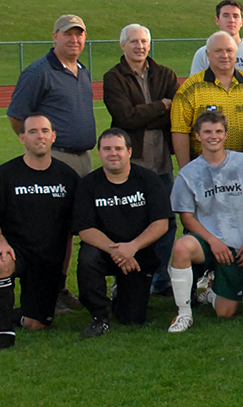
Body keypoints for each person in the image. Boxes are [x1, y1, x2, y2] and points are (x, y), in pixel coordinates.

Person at [0, 114, 81, 353]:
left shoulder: (68, 178)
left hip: (46, 259)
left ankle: (1, 310)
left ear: (53, 137)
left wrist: (63, 267)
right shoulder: (4, 174)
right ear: (22, 137)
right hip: (13, 249)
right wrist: (0, 242)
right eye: (32, 131)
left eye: (45, 131)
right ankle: (4, 334)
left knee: (37, 324)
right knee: (1, 261)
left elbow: (74, 228)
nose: (39, 136)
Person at [101, 23, 180, 296]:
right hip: (130, 163)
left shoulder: (165, 74)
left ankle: (161, 278)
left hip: (161, 162)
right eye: (133, 41)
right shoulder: (113, 78)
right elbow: (125, 117)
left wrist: (145, 113)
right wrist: (160, 106)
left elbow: (175, 113)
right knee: (128, 221)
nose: (140, 46)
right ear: (122, 45)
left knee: (166, 220)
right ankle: (123, 277)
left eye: (144, 41)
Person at [165, 112, 243, 333]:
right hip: (207, 243)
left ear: (226, 134)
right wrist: (213, 241)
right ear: (197, 136)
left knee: (225, 313)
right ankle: (183, 313)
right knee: (181, 247)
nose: (213, 136)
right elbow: (186, 216)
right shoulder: (189, 173)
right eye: (207, 132)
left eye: (218, 131)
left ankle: (210, 292)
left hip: (238, 247)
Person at [71, 129, 170, 337]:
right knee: (88, 258)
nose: (113, 153)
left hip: (138, 253)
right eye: (107, 149)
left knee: (132, 318)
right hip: (104, 251)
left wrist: (132, 247)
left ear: (129, 151)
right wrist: (117, 251)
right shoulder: (88, 184)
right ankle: (99, 316)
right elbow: (85, 229)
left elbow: (161, 223)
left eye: (118, 148)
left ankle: (121, 296)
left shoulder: (148, 179)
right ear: (99, 153)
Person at [10, 14, 96, 175]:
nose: (74, 40)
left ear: (85, 37)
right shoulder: (38, 73)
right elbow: (16, 116)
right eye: (67, 34)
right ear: (55, 37)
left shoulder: (83, 71)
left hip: (84, 158)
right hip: (56, 157)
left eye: (78, 35)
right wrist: (38, 147)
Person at [171, 31, 243, 169]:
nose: (225, 56)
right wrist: (185, 169)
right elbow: (180, 131)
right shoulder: (190, 89)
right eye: (218, 51)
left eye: (229, 50)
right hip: (205, 168)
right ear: (207, 54)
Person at [189, 0, 243, 87]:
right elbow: (195, 86)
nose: (231, 20)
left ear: (241, 22)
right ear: (217, 20)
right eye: (226, 16)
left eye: (235, 16)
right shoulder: (203, 53)